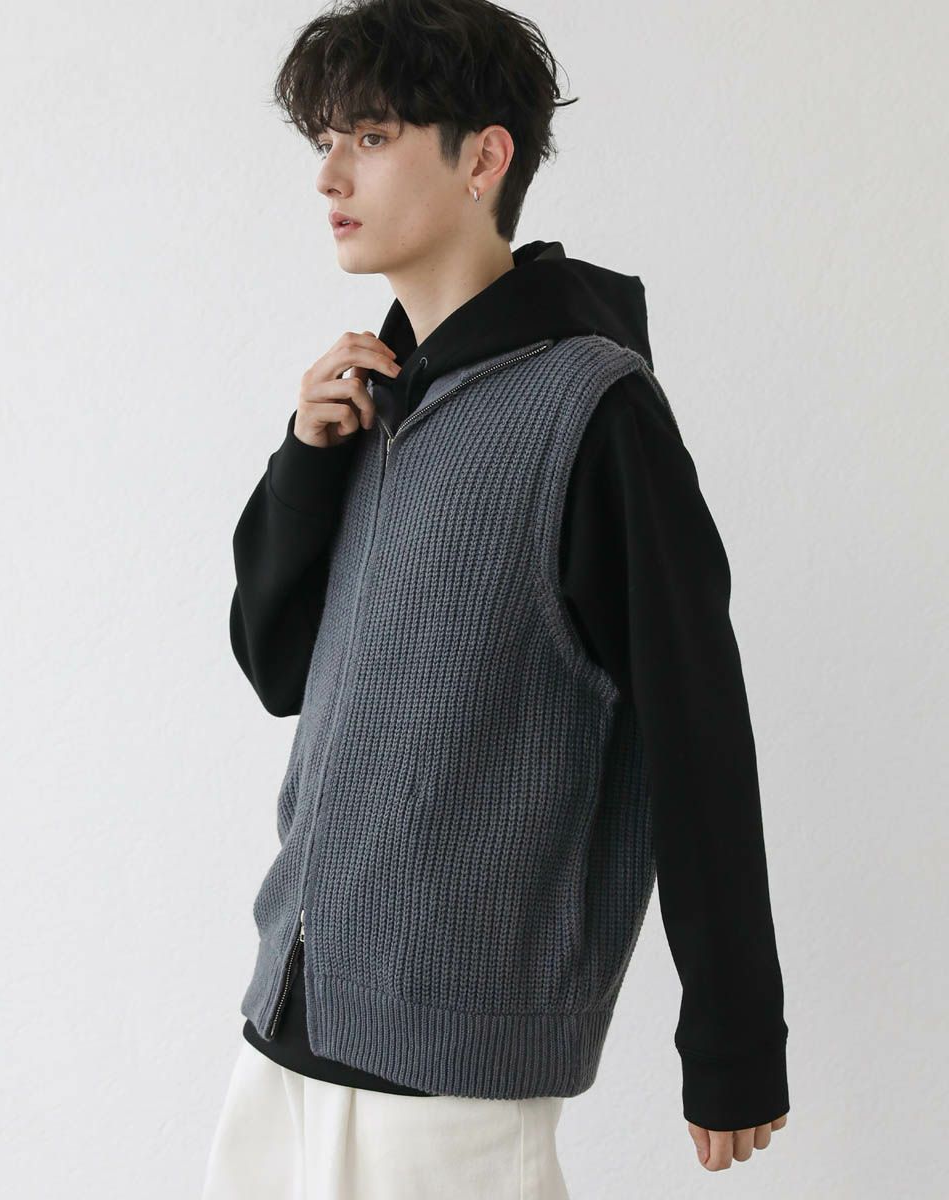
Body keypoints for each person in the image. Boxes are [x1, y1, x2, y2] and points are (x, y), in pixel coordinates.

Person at [202, 1, 790, 1195]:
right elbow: (275, 667)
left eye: (370, 136)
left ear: (482, 158)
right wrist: (305, 466)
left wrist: (734, 1041)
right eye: (325, 138)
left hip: (448, 1086)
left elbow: (697, 729)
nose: (328, 175)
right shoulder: (374, 404)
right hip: (283, 1039)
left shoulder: (594, 413)